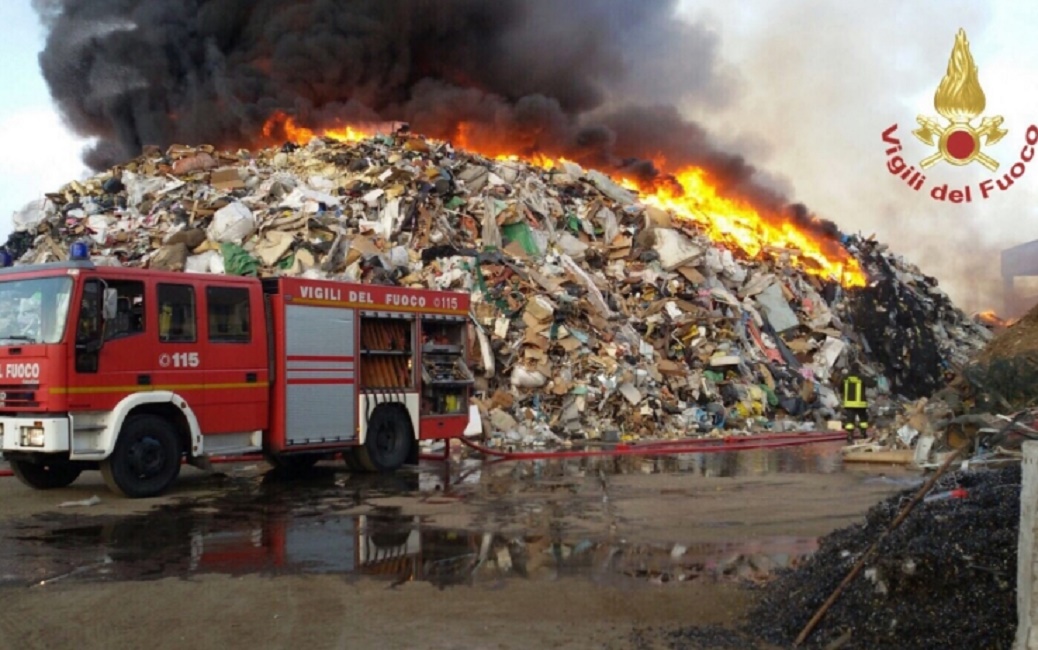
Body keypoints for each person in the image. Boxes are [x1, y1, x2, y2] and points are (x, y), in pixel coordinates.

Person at [842, 370, 869, 442]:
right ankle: (863, 434)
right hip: (860, 404)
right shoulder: (862, 377)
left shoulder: (846, 377)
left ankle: (849, 435)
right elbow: (871, 384)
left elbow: (840, 387)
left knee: (850, 421)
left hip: (850, 404)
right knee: (863, 420)